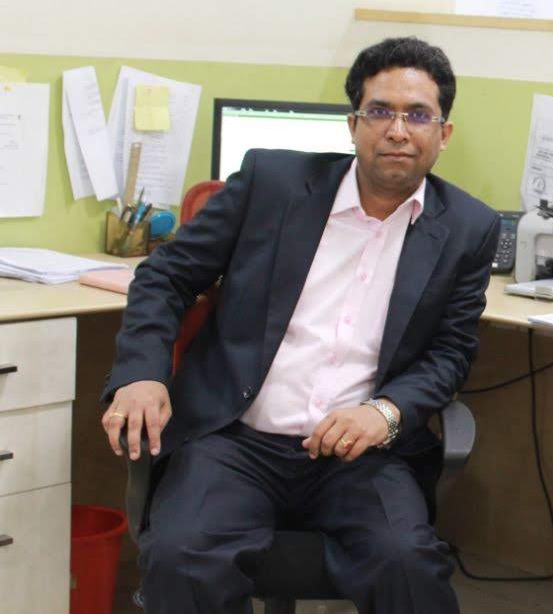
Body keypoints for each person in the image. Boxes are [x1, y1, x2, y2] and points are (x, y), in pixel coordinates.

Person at [102, 37, 499, 614]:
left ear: (444, 133)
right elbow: (165, 276)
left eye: (418, 115)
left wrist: (385, 413)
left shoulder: (468, 227)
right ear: (353, 124)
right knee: (182, 557)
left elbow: (451, 352)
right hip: (235, 440)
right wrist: (142, 373)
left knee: (408, 564)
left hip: (362, 456)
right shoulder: (273, 183)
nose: (397, 131)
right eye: (380, 111)